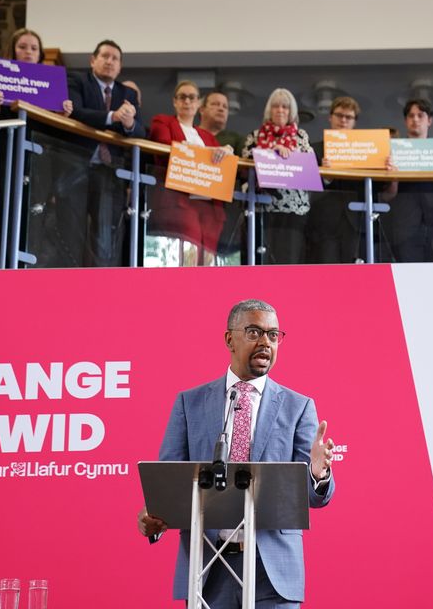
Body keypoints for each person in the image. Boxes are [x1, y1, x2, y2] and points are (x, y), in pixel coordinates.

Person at [137, 299, 335, 608]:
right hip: (207, 571)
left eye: (273, 335)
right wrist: (155, 515)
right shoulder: (190, 403)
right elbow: (168, 481)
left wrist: (317, 474)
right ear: (230, 339)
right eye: (255, 332)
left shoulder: (299, 407)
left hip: (272, 573)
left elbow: (312, 498)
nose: (265, 342)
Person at [0, 28, 73, 268]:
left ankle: (26, 271)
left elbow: (56, 132)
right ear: (13, 50)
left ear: (40, 54)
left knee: (35, 218)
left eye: (33, 48)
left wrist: (63, 114)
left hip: (39, 161)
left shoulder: (50, 87)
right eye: (23, 47)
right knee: (3, 215)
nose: (28, 52)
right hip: (7, 158)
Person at [67, 39, 144, 267]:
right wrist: (113, 117)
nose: (110, 62)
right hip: (74, 165)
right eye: (105, 56)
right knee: (72, 229)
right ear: (93, 60)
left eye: (115, 59)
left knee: (104, 237)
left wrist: (129, 123)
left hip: (110, 173)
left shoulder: (127, 92)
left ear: (120, 67)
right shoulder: (77, 80)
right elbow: (76, 112)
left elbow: (141, 130)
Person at [147, 80, 232, 265]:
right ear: (174, 102)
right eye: (182, 97)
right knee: (188, 258)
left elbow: (221, 163)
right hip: (180, 202)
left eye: (192, 97)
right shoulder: (163, 121)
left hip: (210, 206)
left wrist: (228, 150)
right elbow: (163, 148)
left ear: (198, 103)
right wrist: (195, 152)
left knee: (208, 261)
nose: (187, 101)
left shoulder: (207, 136)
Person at [242, 89, 315, 265]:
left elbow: (310, 166)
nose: (280, 110)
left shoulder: (301, 136)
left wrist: (290, 153)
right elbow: (244, 168)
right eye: (276, 106)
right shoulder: (255, 135)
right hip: (260, 208)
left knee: (289, 260)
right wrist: (271, 152)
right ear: (269, 110)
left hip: (294, 210)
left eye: (285, 106)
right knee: (261, 261)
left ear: (291, 112)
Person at [386, 99, 433, 262]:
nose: (416, 119)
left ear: (430, 121)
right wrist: (393, 178)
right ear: (406, 121)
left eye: (420, 115)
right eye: (411, 116)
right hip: (404, 226)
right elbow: (387, 196)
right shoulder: (393, 153)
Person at [307, 96, 366, 264]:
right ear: (330, 117)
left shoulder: (364, 150)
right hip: (323, 222)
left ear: (354, 122)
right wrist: (325, 177)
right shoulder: (314, 149)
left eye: (349, 117)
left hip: (355, 221)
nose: (343, 120)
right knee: (327, 275)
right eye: (339, 115)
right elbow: (306, 190)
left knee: (353, 278)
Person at [198, 90, 246, 262]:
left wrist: (229, 153)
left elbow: (246, 168)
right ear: (201, 109)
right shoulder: (190, 134)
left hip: (225, 212)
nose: (221, 109)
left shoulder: (236, 139)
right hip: (192, 205)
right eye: (215, 104)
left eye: (225, 106)